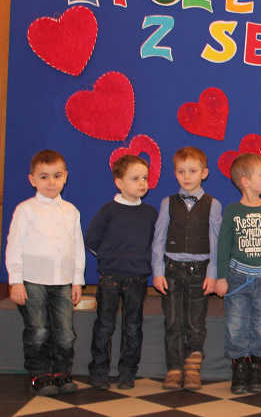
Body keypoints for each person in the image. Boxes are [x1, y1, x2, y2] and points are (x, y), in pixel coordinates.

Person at [5, 150, 85, 396]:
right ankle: (39, 374)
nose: (51, 182)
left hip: (63, 281)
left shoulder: (71, 211)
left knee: (66, 333)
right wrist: (16, 281)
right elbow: (14, 246)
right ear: (32, 180)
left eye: (57, 176)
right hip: (32, 280)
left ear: (65, 177)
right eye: (44, 177)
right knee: (38, 330)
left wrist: (77, 281)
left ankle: (61, 372)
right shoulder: (25, 210)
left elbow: (77, 247)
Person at [216, 153, 261, 395]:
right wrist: (221, 277)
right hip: (237, 279)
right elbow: (223, 246)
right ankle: (239, 366)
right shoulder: (233, 211)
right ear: (245, 181)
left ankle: (257, 367)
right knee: (236, 325)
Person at [151, 147, 222, 390]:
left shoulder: (213, 204)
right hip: (171, 270)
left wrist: (212, 274)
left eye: (192, 171)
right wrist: (158, 271)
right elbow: (159, 239)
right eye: (181, 171)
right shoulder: (167, 203)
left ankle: (192, 369)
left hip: (200, 272)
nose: (187, 176)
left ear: (204, 173)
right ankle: (174, 368)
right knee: (173, 322)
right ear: (175, 174)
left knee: (195, 323)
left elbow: (216, 242)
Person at [86, 154, 158, 389]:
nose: (142, 183)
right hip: (110, 277)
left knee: (133, 326)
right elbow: (92, 240)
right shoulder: (109, 210)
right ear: (119, 182)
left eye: (144, 178)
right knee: (105, 325)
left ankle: (127, 372)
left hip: (137, 278)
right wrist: (109, 258)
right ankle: (99, 371)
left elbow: (155, 244)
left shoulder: (150, 213)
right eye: (135, 178)